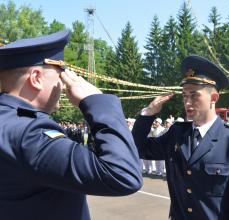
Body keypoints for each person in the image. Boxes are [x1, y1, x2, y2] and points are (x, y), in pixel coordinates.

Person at [0, 30, 142, 220]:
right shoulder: (30, 133)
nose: (63, 84)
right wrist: (98, 102)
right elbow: (122, 175)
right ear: (36, 78)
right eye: (61, 73)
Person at [132, 55, 229, 219]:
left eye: (194, 95)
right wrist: (148, 113)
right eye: (184, 95)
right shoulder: (177, 134)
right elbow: (138, 148)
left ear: (214, 98)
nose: (187, 102)